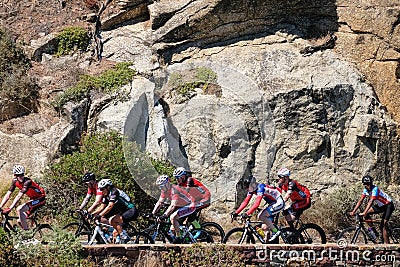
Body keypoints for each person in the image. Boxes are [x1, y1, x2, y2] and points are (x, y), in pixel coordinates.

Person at [231, 175, 285, 241]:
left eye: (248, 187)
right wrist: (236, 212)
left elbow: (256, 204)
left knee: (261, 216)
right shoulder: (252, 189)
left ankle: (275, 231)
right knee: (264, 227)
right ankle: (268, 246)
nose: (247, 189)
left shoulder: (260, 188)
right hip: (273, 203)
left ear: (252, 185)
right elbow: (245, 202)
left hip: (279, 202)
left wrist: (247, 213)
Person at [350, 175, 395, 243]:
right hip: (381, 206)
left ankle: (389, 247)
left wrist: (364, 212)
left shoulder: (375, 189)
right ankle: (374, 232)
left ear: (371, 183)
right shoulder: (365, 190)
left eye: (369, 184)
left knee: (383, 226)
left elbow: (371, 201)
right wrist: (353, 211)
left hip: (388, 205)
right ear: (364, 184)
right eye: (366, 184)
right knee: (366, 215)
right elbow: (360, 201)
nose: (368, 186)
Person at [91, 179, 138, 244]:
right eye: (100, 190)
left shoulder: (114, 192)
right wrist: (92, 214)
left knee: (112, 220)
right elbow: (102, 206)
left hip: (131, 210)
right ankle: (115, 232)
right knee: (103, 219)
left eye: (102, 189)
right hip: (123, 211)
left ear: (108, 187)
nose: (101, 191)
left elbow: (110, 206)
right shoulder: (106, 194)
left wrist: (99, 215)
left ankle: (124, 237)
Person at [152, 174, 196, 243]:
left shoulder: (174, 190)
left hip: (190, 205)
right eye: (159, 187)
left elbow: (173, 205)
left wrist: (165, 215)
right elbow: (160, 202)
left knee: (173, 217)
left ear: (167, 184)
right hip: (181, 206)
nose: (161, 188)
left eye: (161, 186)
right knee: (172, 229)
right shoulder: (164, 190)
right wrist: (153, 213)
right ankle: (183, 241)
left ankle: (179, 237)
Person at [0, 165, 46, 230]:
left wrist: (10, 208)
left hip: (40, 198)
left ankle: (27, 233)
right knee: (19, 220)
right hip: (33, 199)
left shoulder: (27, 182)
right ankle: (28, 234)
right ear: (15, 175)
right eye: (19, 175)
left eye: (22, 174)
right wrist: (0, 206)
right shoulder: (15, 181)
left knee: (19, 209)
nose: (21, 177)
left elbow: (19, 196)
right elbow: (8, 194)